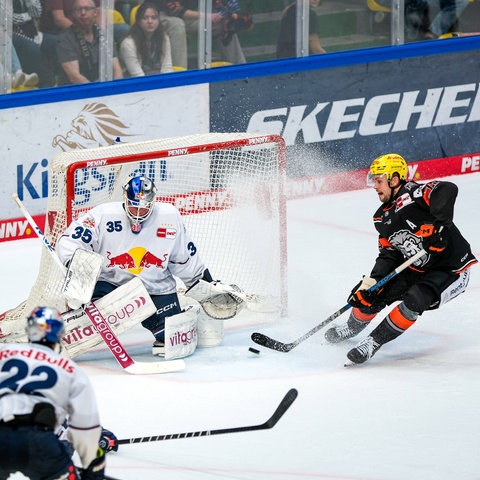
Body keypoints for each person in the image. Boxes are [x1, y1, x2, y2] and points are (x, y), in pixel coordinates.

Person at [56, 175, 245, 358]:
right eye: (133, 206)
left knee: (173, 341)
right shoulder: (102, 215)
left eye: (144, 208)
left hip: (155, 290)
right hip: (111, 287)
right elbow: (69, 242)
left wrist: (208, 286)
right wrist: (79, 272)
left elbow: (185, 259)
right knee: (80, 328)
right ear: (125, 199)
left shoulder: (169, 217)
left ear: (153, 202)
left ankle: (179, 318)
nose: (138, 213)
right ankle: (65, 324)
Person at [324, 153, 478, 365]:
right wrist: (372, 282)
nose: (375, 186)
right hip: (415, 267)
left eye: (379, 180)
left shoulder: (414, 193)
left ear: (394, 179)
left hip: (451, 269)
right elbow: (389, 254)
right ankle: (351, 327)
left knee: (415, 299)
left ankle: (373, 342)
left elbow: (447, 189)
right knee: (372, 293)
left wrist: (440, 226)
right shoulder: (381, 217)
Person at [0, 306, 106, 479]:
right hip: (40, 444)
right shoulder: (71, 370)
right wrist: (93, 469)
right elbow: (85, 430)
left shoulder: (4, 352)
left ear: (29, 329)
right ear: (59, 333)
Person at [56, 0, 124, 84]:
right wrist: (97, 92)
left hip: (103, 85)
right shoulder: (65, 39)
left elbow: (117, 69)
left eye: (87, 9)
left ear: (95, 12)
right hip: (78, 90)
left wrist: (116, 88)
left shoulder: (104, 34)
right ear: (73, 14)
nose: (83, 13)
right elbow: (74, 77)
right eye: (78, 9)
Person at [120, 1, 173, 76]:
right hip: (136, 84)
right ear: (138, 21)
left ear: (158, 20)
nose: (150, 21)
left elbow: (167, 69)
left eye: (154, 18)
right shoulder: (128, 44)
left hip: (160, 81)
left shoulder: (164, 38)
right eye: (145, 18)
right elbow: (137, 76)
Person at [13, 0, 58, 87]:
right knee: (31, 48)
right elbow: (9, 18)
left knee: (59, 43)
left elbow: (37, 12)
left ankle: (58, 81)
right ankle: (46, 84)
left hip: (35, 35)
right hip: (14, 35)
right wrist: (28, 15)